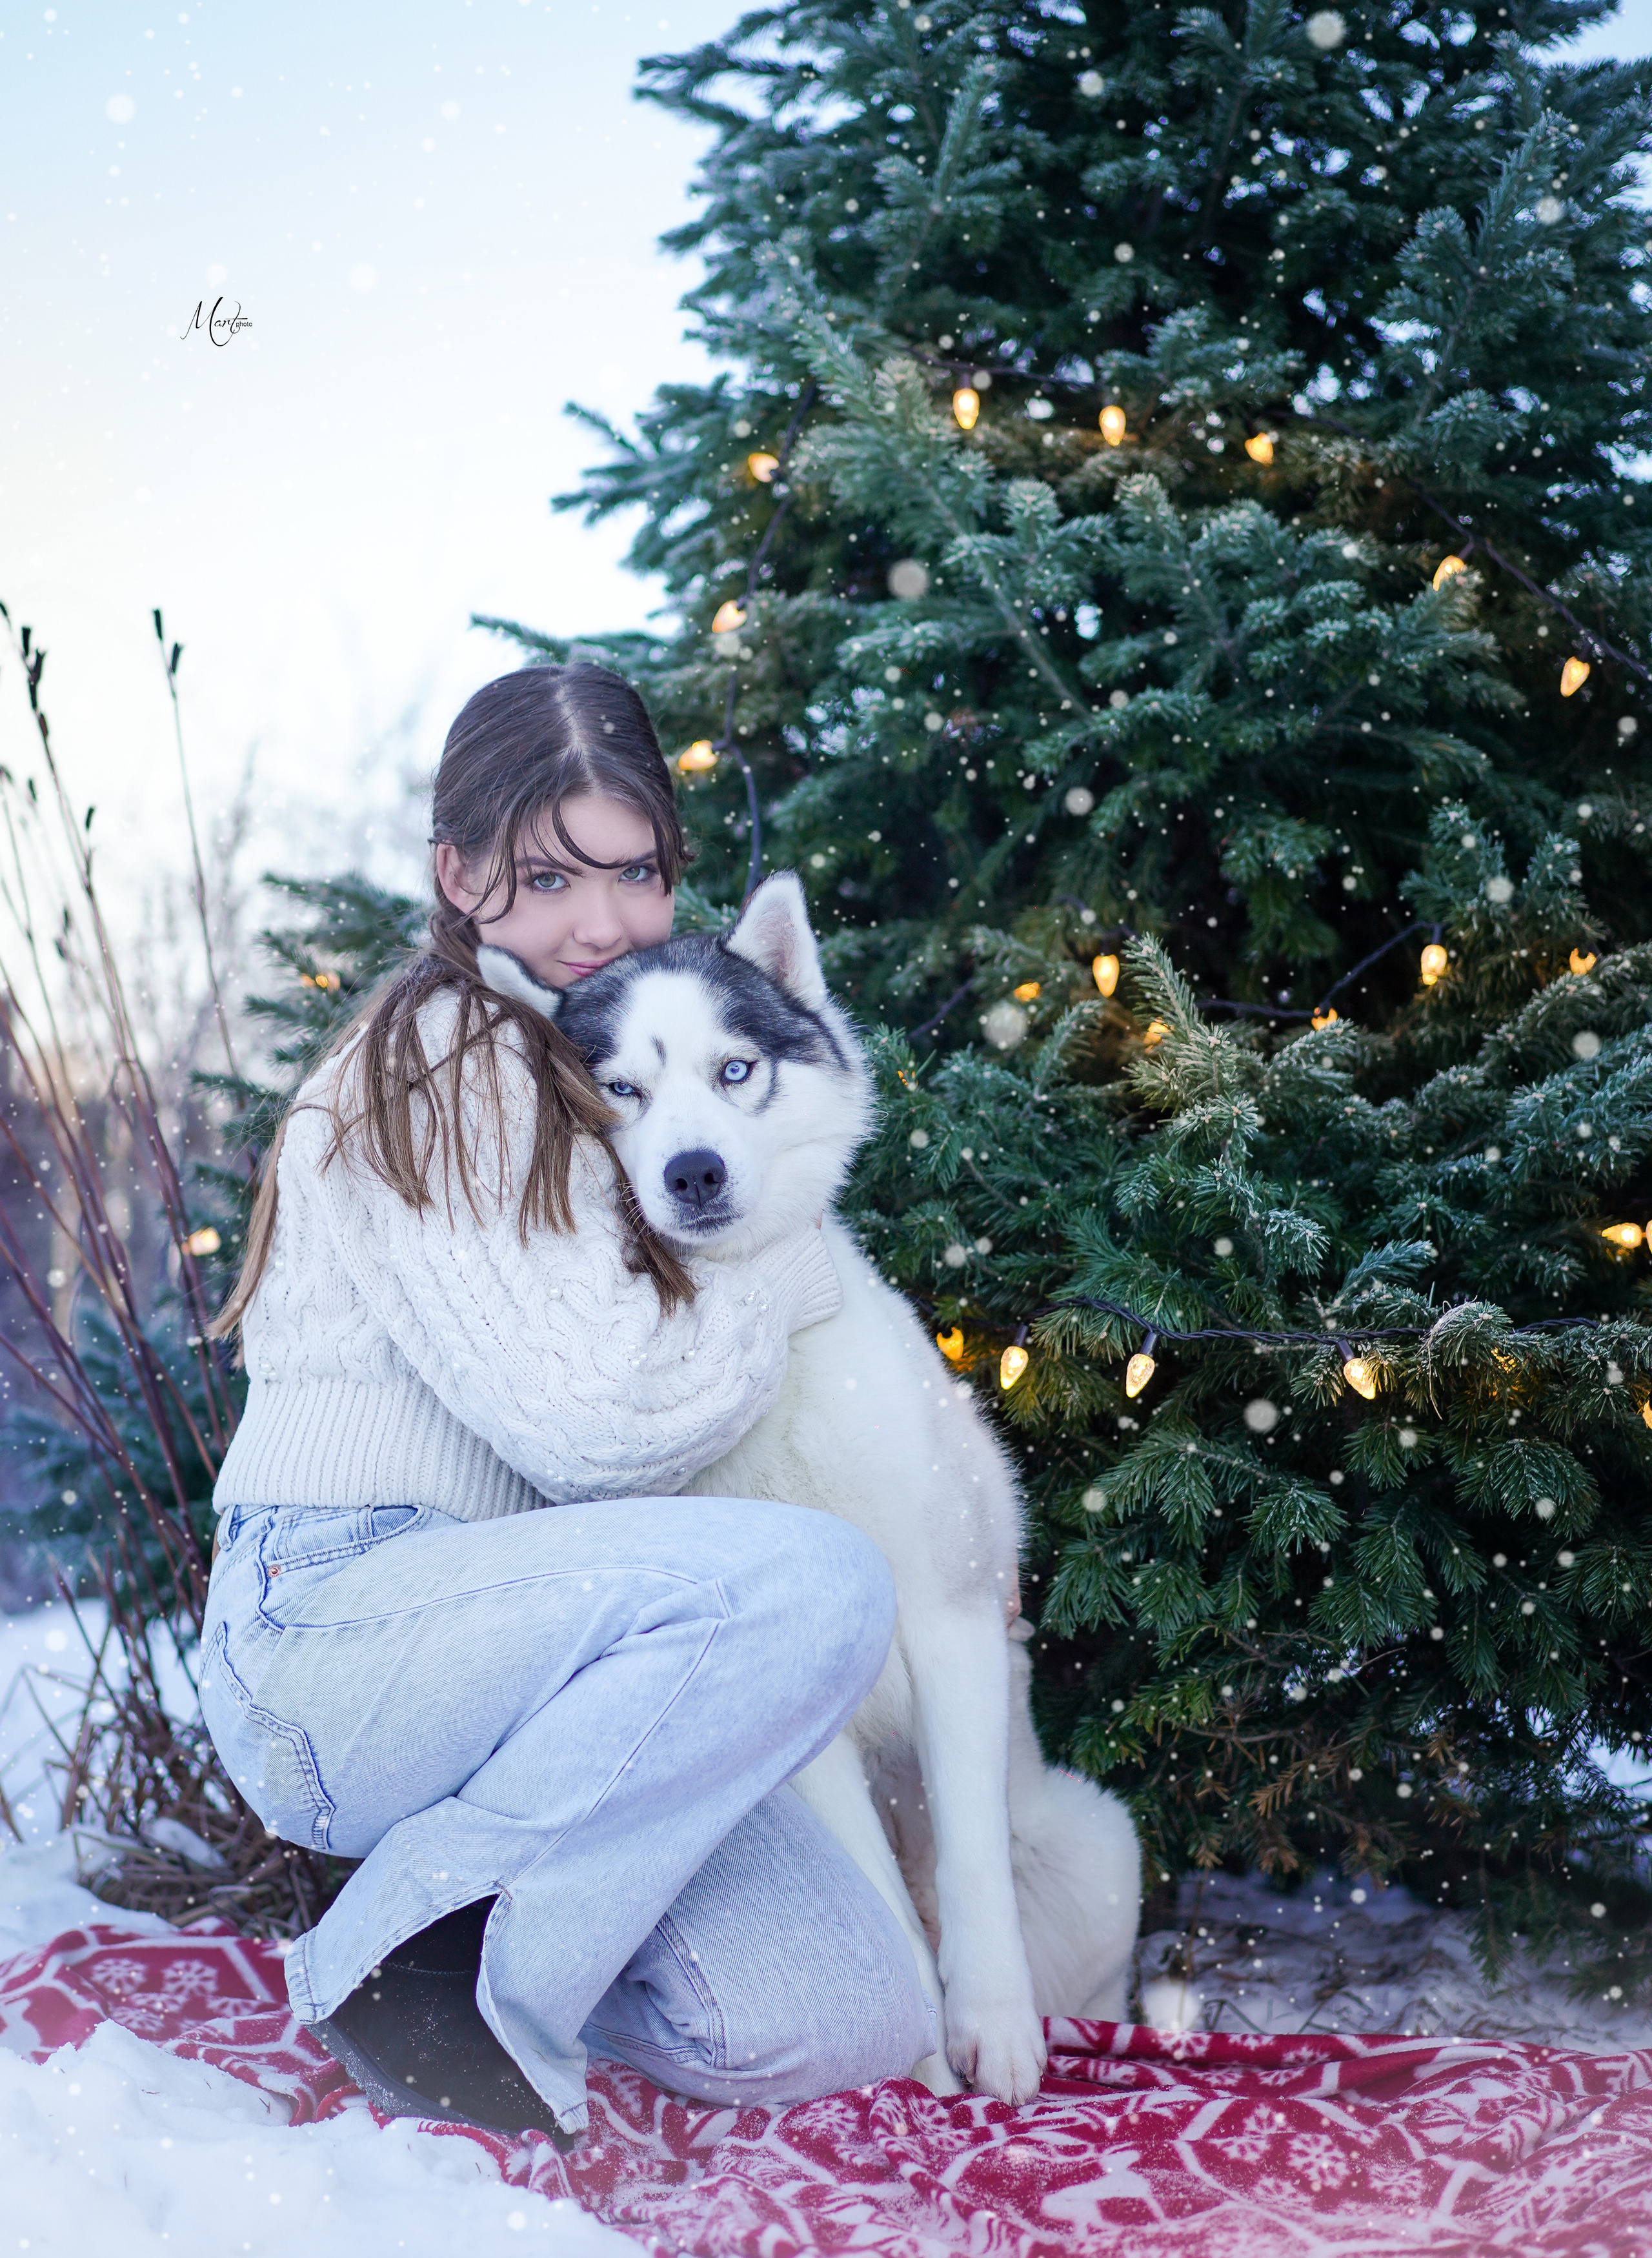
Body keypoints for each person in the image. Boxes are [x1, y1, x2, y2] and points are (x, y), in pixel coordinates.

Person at [201, 664, 932, 2141]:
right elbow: (600, 1429)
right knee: (816, 1586)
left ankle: (502, 1935)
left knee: (848, 2016)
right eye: (546, 875)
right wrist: (777, 1242)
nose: (599, 923)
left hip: (532, 1665)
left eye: (637, 871)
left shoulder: (584, 1055)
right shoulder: (442, 1046)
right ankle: (408, 1958)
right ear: (457, 876)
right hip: (334, 1629)